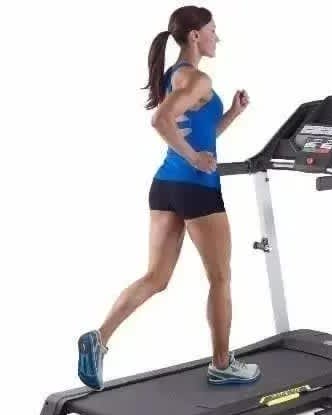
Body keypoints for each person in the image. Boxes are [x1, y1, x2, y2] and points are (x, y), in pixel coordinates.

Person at [77, 6, 261, 391]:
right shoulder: (198, 78)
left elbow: (199, 133)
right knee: (220, 278)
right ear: (195, 35)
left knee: (156, 277)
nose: (217, 37)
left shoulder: (173, 75)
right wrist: (195, 159)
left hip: (165, 186)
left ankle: (99, 337)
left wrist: (232, 113)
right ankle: (222, 365)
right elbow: (161, 121)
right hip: (197, 188)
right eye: (212, 30)